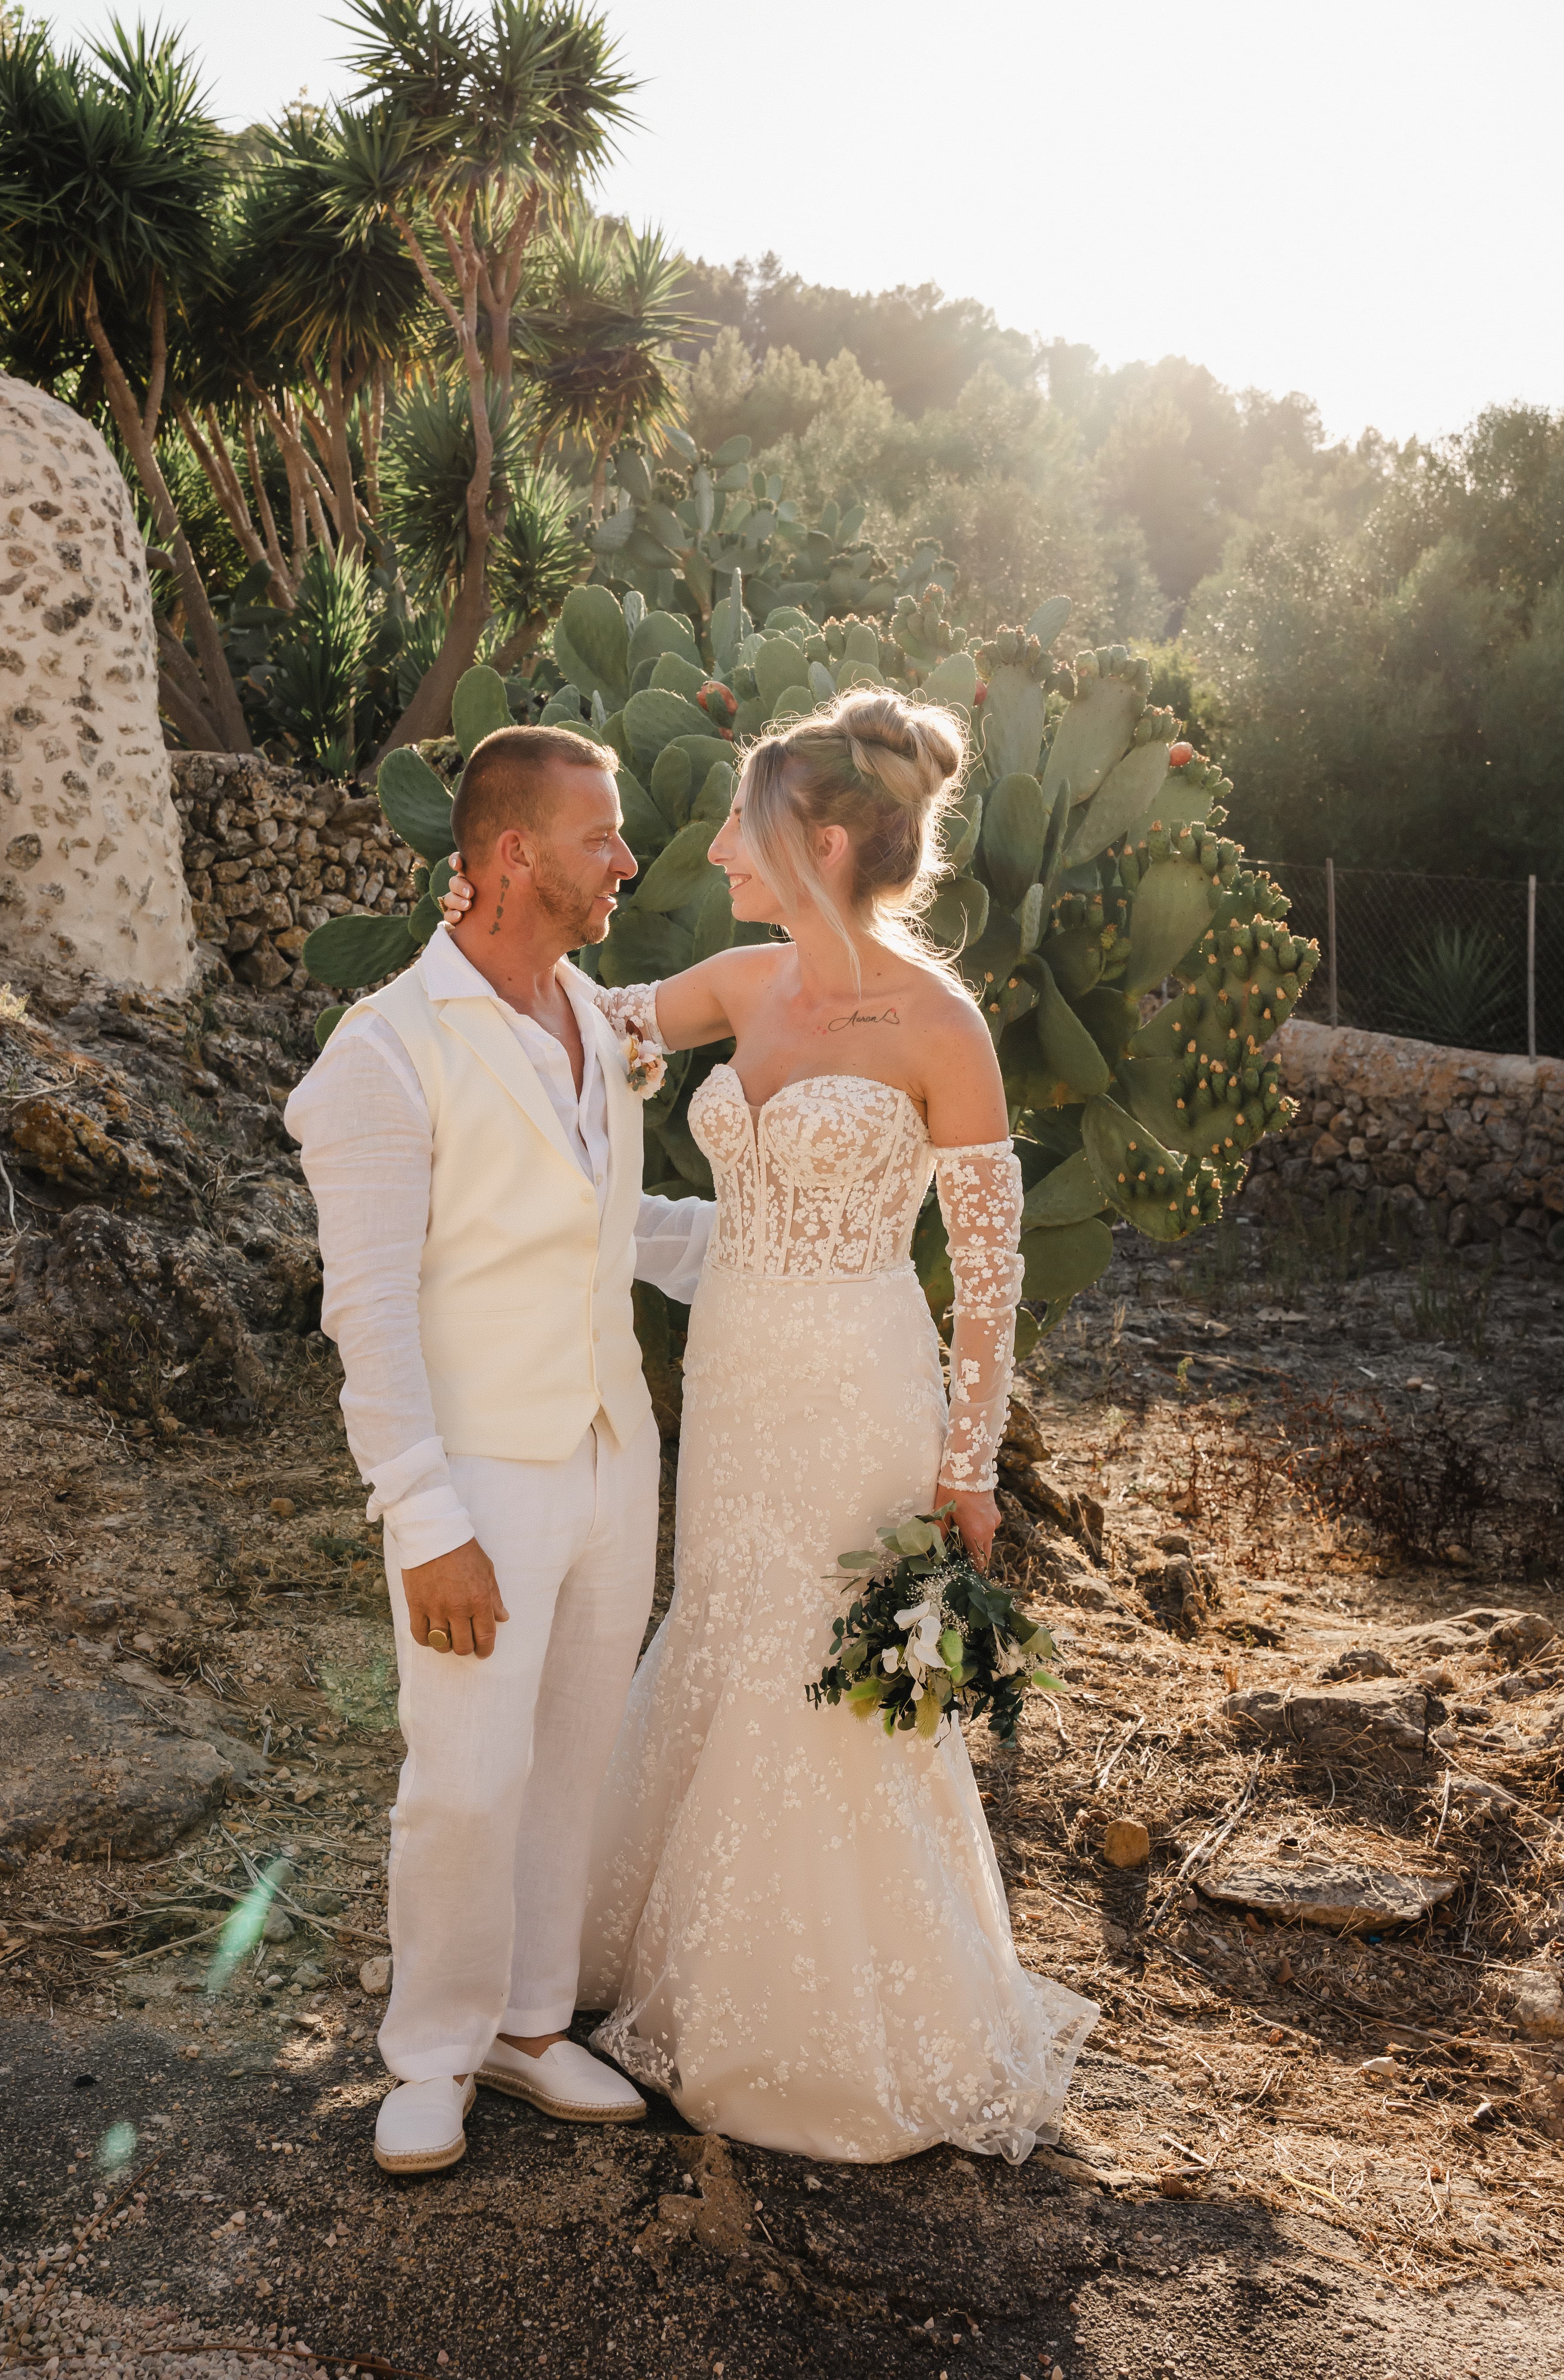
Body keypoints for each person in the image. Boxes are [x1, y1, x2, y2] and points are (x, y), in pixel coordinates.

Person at [443, 685, 1097, 2163]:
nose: (717, 842)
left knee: (821, 1657)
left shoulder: (944, 1026)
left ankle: (815, 2030)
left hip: (861, 1379)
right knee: (724, 1623)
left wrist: (968, 1466)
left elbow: (989, 1278)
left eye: (743, 818)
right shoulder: (744, 983)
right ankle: (629, 1965)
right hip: (732, 1371)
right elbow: (583, 1025)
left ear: (815, 835)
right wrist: (461, 976)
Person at [285, 725, 714, 2175]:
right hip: (479, 1475)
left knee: (573, 1758)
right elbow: (369, 1312)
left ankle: (534, 2029)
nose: (626, 861)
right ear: (512, 855)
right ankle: (432, 2051)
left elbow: (610, 1230)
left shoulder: (595, 1021)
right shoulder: (387, 1051)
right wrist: (424, 1514)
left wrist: (779, 1255)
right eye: (602, 837)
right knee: (462, 1773)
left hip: (612, 1452)